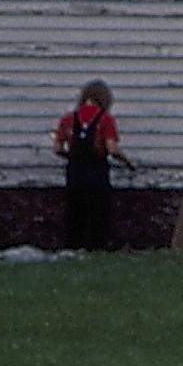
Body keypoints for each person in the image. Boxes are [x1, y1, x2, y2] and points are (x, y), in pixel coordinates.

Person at [51, 79, 135, 250]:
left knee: (75, 211)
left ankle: (73, 247)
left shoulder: (68, 119)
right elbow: (112, 149)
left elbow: (58, 148)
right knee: (98, 211)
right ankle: (97, 247)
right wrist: (127, 162)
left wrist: (71, 157)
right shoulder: (105, 119)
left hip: (75, 172)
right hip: (97, 171)